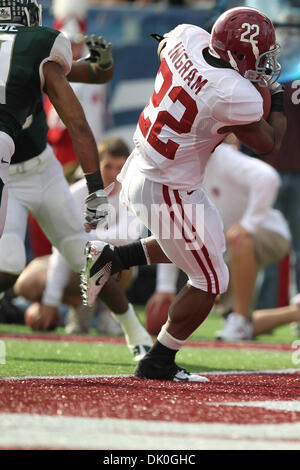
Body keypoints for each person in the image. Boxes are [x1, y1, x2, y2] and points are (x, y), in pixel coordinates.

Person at [81, 7, 287, 382]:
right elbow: (269, 142)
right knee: (211, 281)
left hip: (142, 166)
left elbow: (164, 49)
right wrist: (279, 96)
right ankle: (157, 362)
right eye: (259, 57)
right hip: (167, 187)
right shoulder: (233, 92)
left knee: (206, 246)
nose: (265, 65)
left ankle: (113, 256)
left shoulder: (186, 36)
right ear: (236, 54)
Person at [0, 4, 114, 297]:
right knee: (8, 256)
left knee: (78, 249)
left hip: (39, 165)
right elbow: (80, 118)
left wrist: (103, 63)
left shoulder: (34, 58)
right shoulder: (34, 47)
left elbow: (95, 74)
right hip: (9, 169)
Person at [13, 136, 153, 361]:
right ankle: (79, 304)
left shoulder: (133, 193)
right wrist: (50, 301)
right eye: (108, 166)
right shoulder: (76, 193)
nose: (114, 173)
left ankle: (109, 314)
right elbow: (62, 245)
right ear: (95, 166)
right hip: (70, 263)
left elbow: (127, 236)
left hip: (105, 265)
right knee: (25, 283)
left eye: (120, 167)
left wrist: (82, 236)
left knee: (121, 261)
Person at [145, 142, 291, 340]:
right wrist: (165, 287)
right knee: (237, 319)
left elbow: (267, 178)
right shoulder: (177, 172)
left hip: (269, 231)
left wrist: (248, 225)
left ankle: (238, 320)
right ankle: (253, 319)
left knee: (239, 239)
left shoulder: (219, 156)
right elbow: (174, 231)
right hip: (227, 246)